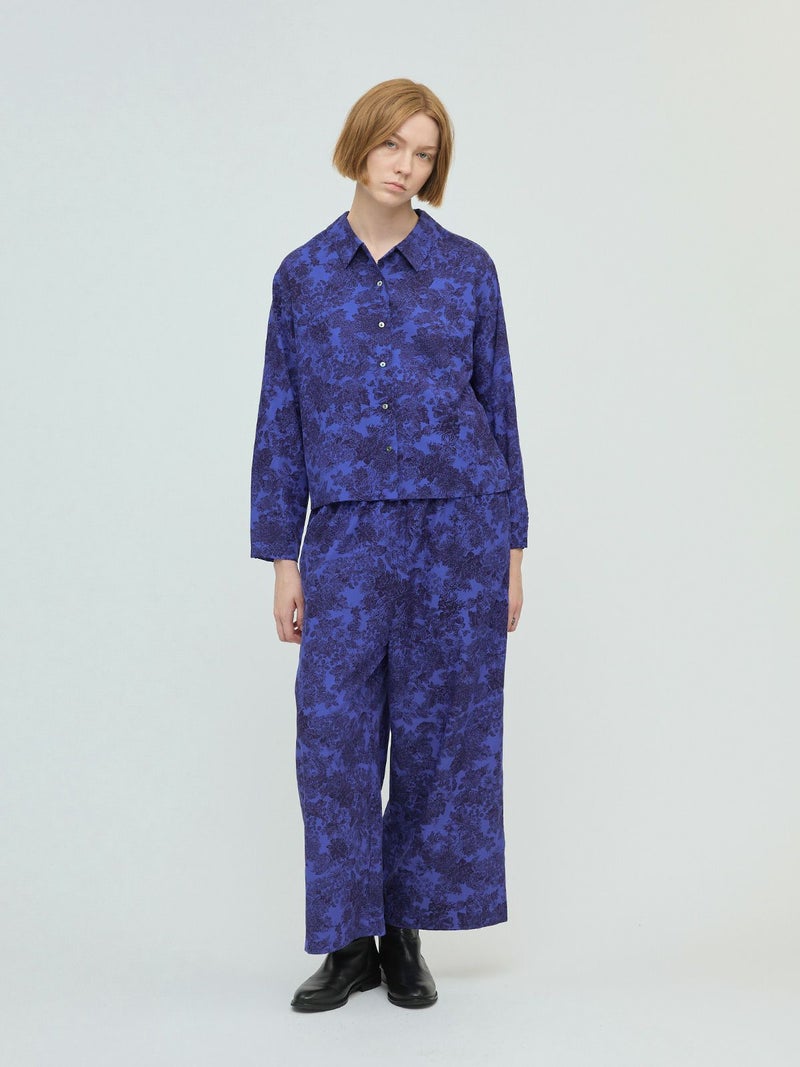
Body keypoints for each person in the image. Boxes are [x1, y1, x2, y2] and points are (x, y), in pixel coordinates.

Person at [250, 77, 529, 1013]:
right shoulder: (302, 275)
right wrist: (284, 557)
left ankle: (404, 934)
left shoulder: (466, 270)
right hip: (346, 536)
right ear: (360, 143)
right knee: (333, 738)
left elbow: (500, 407)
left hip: (458, 532)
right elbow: (281, 420)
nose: (406, 166)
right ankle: (348, 941)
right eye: (393, 145)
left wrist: (511, 551)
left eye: (424, 153)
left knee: (439, 736)